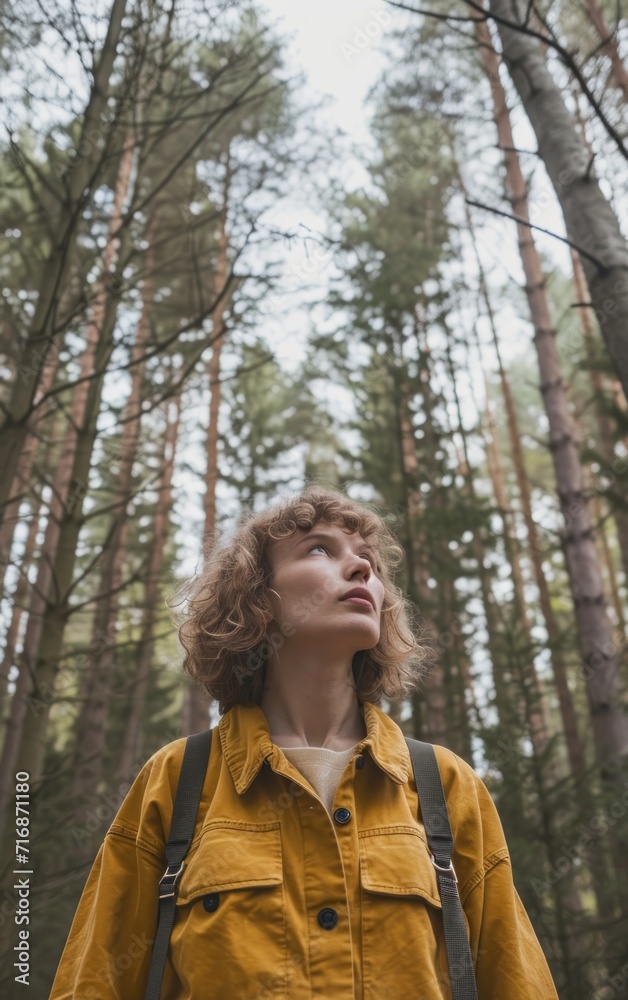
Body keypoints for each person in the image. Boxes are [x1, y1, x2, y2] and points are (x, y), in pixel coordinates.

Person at [49, 485, 559, 999]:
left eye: (369, 562)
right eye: (320, 549)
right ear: (257, 596)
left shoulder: (446, 786)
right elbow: (94, 982)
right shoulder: (177, 780)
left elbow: (517, 981)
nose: (363, 570)